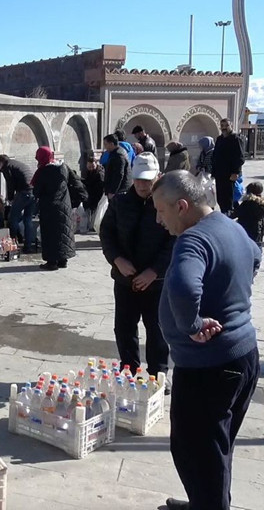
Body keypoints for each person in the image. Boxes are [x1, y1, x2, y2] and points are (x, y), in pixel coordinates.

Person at [152, 170, 261, 510]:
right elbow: (255, 256)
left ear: (182, 206)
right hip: (243, 357)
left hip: (208, 368)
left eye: (161, 211)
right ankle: (205, 503)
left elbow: (184, 287)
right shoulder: (232, 227)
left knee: (195, 452)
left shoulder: (193, 240)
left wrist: (193, 324)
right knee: (214, 450)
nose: (158, 220)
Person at [99, 153, 174, 384]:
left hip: (156, 282)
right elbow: (107, 234)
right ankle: (128, 370)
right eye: (139, 179)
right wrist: (117, 260)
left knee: (157, 329)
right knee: (124, 328)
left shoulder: (167, 204)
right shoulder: (120, 202)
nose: (142, 185)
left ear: (158, 177)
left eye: (147, 180)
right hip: (125, 279)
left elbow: (174, 239)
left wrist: (155, 271)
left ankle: (158, 373)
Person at [33, 147, 76, 270]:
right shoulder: (64, 168)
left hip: (49, 208)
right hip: (64, 205)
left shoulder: (43, 172)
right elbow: (75, 182)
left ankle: (51, 262)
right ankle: (63, 260)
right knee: (63, 232)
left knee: (50, 234)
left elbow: (37, 191)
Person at [0, 154, 37, 252]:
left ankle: (12, 243)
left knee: (13, 218)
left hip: (23, 192)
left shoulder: (7, 167)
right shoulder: (16, 164)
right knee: (28, 219)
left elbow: (10, 183)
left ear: (1, 162)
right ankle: (28, 246)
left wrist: (10, 198)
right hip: (33, 191)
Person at [213, 118, 245, 215]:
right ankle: (224, 213)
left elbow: (240, 158)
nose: (224, 128)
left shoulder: (236, 139)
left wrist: (235, 172)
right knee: (220, 198)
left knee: (229, 199)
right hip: (219, 174)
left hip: (230, 175)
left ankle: (230, 215)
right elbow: (215, 155)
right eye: (222, 126)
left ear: (231, 126)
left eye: (226, 125)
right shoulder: (219, 139)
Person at [231, 182, 264, 248]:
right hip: (260, 231)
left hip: (248, 231)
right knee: (257, 248)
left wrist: (234, 205)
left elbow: (235, 214)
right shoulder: (263, 205)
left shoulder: (248, 203)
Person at [103, 134, 133, 199]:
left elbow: (119, 174)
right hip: (119, 190)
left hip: (120, 191)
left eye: (106, 144)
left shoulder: (119, 155)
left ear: (111, 144)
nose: (105, 147)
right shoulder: (115, 153)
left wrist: (113, 191)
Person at [82, 153, 105, 229]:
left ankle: (93, 225)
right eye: (89, 167)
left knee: (95, 211)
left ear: (96, 164)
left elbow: (100, 187)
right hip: (90, 194)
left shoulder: (100, 173)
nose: (91, 168)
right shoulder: (88, 172)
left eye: (93, 166)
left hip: (96, 195)